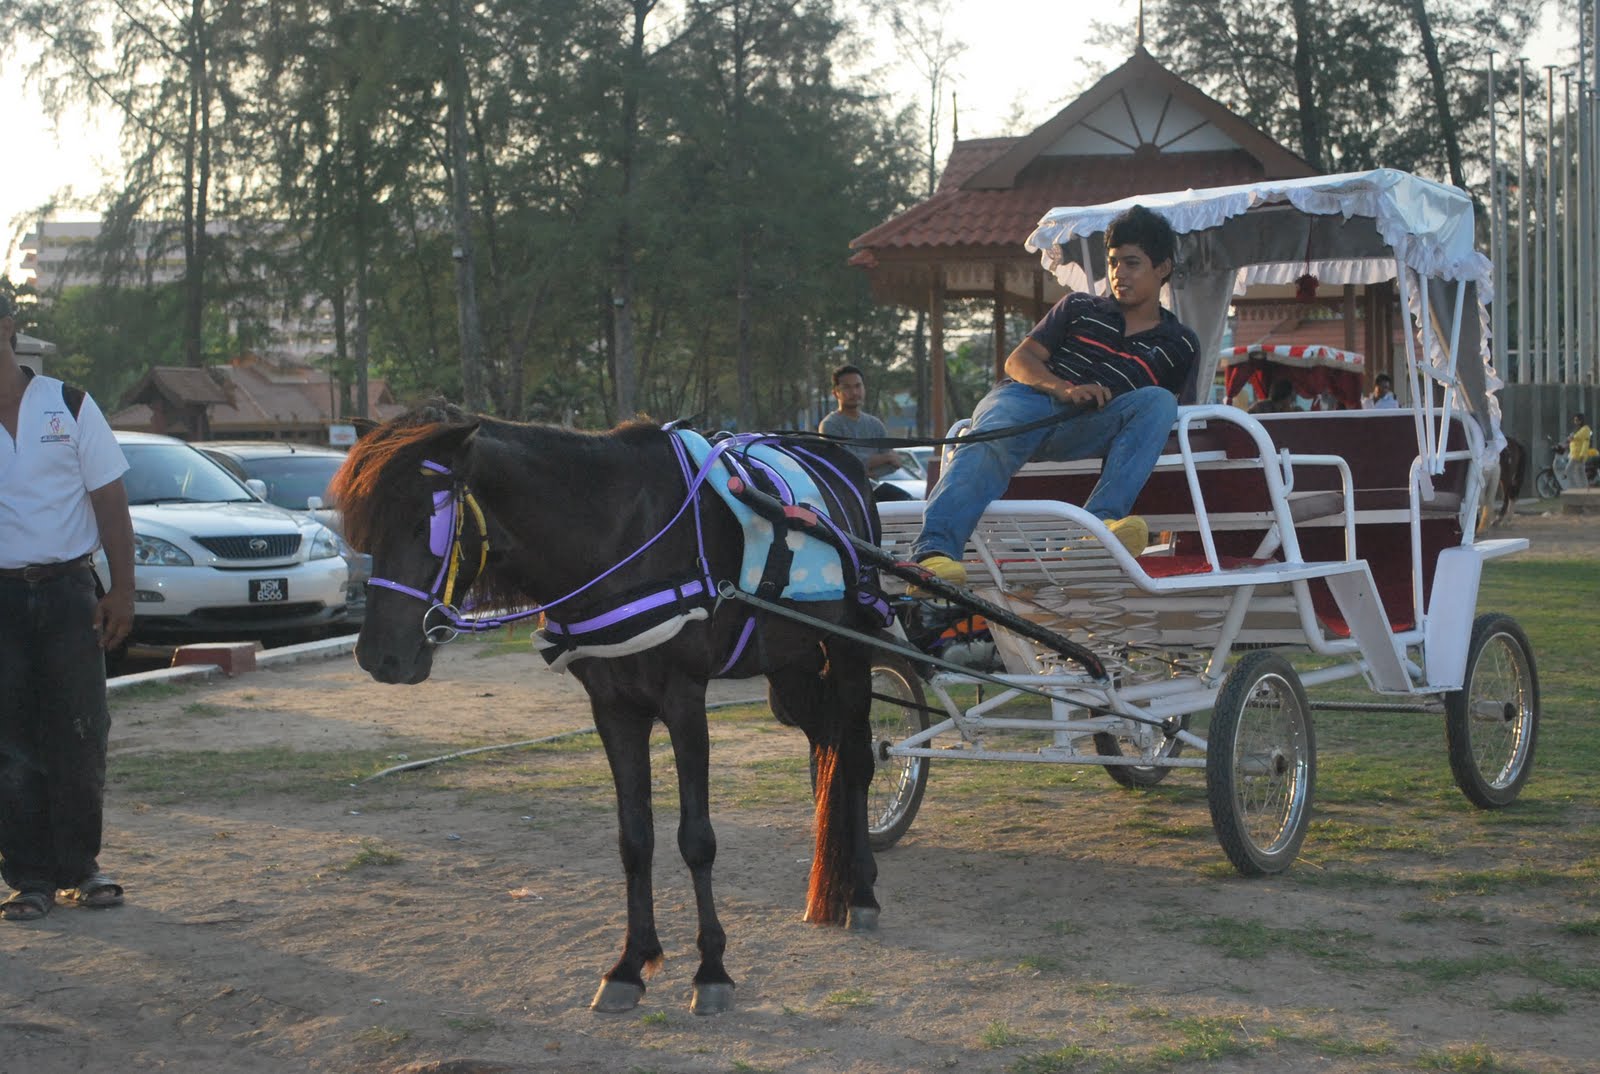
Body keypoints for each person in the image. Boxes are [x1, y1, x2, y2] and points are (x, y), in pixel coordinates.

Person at [912, 204, 1199, 585]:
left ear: (1162, 268)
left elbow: (1181, 415)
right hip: (1028, 402)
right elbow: (1019, 361)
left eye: (1132, 263)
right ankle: (932, 555)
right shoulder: (1080, 306)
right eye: (1113, 263)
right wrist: (1063, 388)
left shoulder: (1180, 343)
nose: (1118, 274)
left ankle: (1096, 528)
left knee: (1160, 402)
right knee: (991, 437)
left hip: (1091, 426)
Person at [0, 292, 136, 923]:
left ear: (7, 330)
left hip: (68, 592)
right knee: (11, 740)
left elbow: (110, 501)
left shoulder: (70, 404)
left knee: (81, 731)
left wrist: (122, 591)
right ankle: (27, 878)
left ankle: (81, 869)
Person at [819, 364, 912, 502]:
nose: (854, 392)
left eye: (858, 386)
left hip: (873, 490)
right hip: (844, 496)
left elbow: (895, 463)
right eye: (847, 387)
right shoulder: (830, 425)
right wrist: (883, 458)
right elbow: (845, 463)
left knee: (907, 501)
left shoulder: (875, 424)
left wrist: (867, 471)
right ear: (835, 392)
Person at [1567, 412, 1597, 488]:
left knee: (1568, 470)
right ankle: (1585, 489)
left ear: (1581, 421)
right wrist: (1571, 438)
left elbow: (1585, 443)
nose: (1575, 422)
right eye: (1575, 420)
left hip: (1578, 455)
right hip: (1575, 454)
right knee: (1580, 473)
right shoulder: (1578, 429)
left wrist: (1582, 455)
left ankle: (1574, 488)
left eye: (1577, 420)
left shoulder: (1585, 429)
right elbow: (1575, 440)